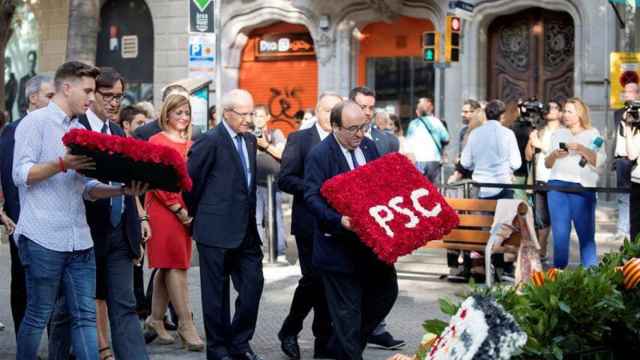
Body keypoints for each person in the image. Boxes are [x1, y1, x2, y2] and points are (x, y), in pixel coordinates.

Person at [12, 60, 146, 360]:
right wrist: (62, 164)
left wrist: (122, 190)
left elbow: (85, 187)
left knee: (85, 317)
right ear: (67, 88)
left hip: (80, 239)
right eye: (88, 90)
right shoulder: (34, 123)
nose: (92, 97)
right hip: (42, 238)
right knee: (38, 315)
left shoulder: (77, 129)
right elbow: (20, 174)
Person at [304, 100, 398, 360]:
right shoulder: (320, 155)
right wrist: (337, 220)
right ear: (335, 127)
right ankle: (347, 351)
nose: (360, 134)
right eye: (353, 129)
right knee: (348, 312)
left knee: (387, 292)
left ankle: (339, 346)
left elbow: (381, 186)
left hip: (370, 245)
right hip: (338, 247)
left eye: (364, 127)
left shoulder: (369, 146)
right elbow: (310, 197)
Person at [72, 67, 149, 360]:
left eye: (119, 96)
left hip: (119, 231)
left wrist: (139, 219)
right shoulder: (76, 128)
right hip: (85, 232)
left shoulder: (117, 131)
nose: (115, 102)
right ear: (92, 95)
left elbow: (126, 185)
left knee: (125, 304)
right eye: (108, 96)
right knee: (78, 307)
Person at [186, 89, 264, 360]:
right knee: (216, 296)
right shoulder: (209, 141)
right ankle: (218, 350)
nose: (248, 119)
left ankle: (239, 342)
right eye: (243, 114)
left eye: (251, 113)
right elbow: (190, 184)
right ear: (226, 113)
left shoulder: (251, 141)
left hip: (247, 232)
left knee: (253, 286)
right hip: (214, 230)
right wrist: (197, 217)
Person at [277, 92, 342, 359]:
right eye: (327, 110)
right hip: (308, 224)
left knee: (327, 279)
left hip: (337, 223)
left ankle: (321, 340)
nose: (331, 116)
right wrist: (316, 189)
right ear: (317, 111)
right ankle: (291, 329)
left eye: (336, 111)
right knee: (314, 278)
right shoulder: (300, 139)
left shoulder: (344, 141)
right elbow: (285, 178)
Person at [144, 93, 204, 351]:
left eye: (187, 113)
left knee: (169, 266)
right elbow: (155, 178)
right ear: (166, 114)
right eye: (178, 112)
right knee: (176, 266)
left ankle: (155, 319)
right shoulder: (156, 140)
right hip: (163, 209)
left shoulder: (191, 142)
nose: (183, 117)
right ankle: (185, 323)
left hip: (184, 208)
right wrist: (177, 208)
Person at [348, 86, 404, 350]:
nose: (367, 112)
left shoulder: (387, 141)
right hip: (348, 225)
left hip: (380, 223)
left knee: (385, 284)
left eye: (371, 107)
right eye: (362, 106)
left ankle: (373, 328)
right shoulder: (337, 140)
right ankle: (352, 333)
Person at [0, 74, 54, 340]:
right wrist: (11, 214)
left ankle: (59, 342)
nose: (55, 102)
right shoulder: (14, 130)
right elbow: (11, 178)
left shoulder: (61, 127)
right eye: (49, 96)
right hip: (22, 221)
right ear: (33, 98)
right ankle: (25, 344)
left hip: (56, 220)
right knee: (23, 282)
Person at [544, 98, 606, 269]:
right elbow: (547, 164)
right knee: (560, 236)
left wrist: (581, 148)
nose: (565, 114)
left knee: (586, 236)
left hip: (583, 188)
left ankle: (591, 278)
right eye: (564, 111)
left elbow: (599, 161)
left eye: (569, 111)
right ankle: (558, 276)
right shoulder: (557, 134)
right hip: (557, 187)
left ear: (580, 114)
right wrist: (555, 154)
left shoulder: (594, 134)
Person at [119, 105, 153, 321]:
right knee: (132, 259)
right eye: (139, 123)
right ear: (126, 125)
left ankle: (142, 306)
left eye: (145, 122)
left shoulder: (142, 148)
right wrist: (141, 215)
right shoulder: (123, 147)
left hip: (141, 211)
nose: (144, 127)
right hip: (129, 211)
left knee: (139, 261)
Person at [525, 100, 563, 261]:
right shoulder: (539, 131)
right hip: (540, 179)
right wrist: (531, 141)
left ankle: (559, 254)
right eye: (548, 107)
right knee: (541, 218)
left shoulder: (564, 132)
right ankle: (541, 249)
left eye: (554, 107)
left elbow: (563, 154)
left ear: (560, 113)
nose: (550, 110)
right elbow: (528, 156)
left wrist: (542, 145)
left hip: (557, 179)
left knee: (558, 218)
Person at [461, 100, 521, 200]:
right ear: (502, 116)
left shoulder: (475, 133)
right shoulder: (508, 134)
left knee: (480, 216)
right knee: (504, 216)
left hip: (479, 187)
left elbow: (465, 162)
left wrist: (476, 166)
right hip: (503, 186)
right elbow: (516, 163)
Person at [252, 105, 287, 259]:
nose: (257, 119)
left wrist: (265, 145)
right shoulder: (247, 134)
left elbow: (282, 154)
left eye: (261, 115)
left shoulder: (276, 133)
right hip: (254, 184)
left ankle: (280, 252)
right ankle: (261, 251)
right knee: (257, 220)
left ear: (267, 117)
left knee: (276, 218)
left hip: (274, 184)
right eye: (255, 115)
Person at [613, 81, 640, 241]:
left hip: (636, 162)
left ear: (637, 94)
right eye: (625, 91)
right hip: (622, 158)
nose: (626, 94)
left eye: (630, 92)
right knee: (623, 196)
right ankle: (623, 228)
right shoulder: (618, 113)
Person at [406, 97, 449, 184]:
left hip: (418, 160)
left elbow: (408, 145)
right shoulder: (437, 122)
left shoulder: (413, 124)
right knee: (434, 189)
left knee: (419, 188)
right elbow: (446, 138)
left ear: (418, 111)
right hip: (434, 160)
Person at [623, 105, 640, 242]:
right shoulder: (637, 131)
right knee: (635, 228)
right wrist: (628, 128)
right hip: (637, 182)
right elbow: (632, 154)